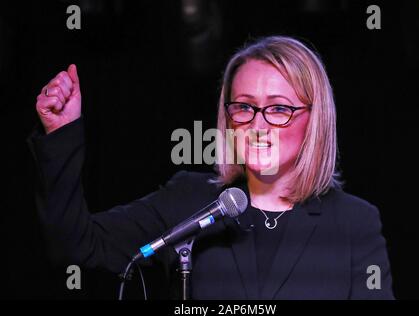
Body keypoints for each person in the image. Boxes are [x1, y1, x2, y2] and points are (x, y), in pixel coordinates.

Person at [28, 35, 394, 299]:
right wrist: (61, 135)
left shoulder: (354, 224)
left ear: (315, 120)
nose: (258, 124)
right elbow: (75, 244)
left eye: (280, 108)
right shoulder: (189, 200)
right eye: (245, 107)